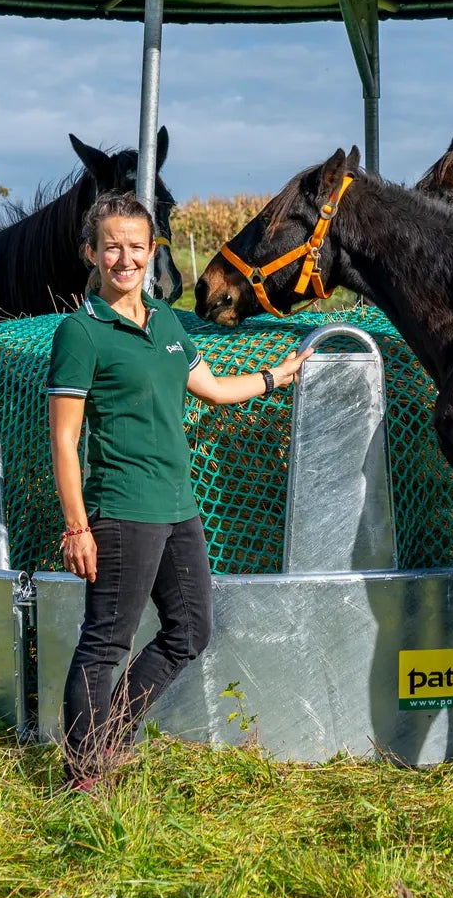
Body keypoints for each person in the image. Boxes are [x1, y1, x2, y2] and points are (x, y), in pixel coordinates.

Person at [46, 191, 310, 789]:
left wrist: (275, 376)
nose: (124, 258)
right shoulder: (80, 334)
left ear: (150, 252)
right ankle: (83, 776)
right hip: (120, 510)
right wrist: (77, 526)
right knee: (106, 642)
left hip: (178, 507)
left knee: (189, 631)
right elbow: (64, 442)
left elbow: (210, 388)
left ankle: (106, 740)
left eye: (136, 246)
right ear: (91, 251)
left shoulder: (164, 321)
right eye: (111, 246)